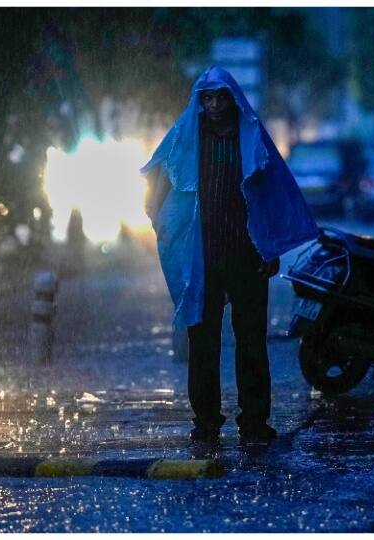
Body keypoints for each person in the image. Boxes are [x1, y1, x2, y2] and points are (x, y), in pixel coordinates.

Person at [140, 67, 319, 443]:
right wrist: (166, 223)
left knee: (251, 341)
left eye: (221, 97)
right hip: (200, 258)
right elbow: (156, 179)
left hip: (247, 256)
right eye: (208, 98)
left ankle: (254, 421)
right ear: (199, 101)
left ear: (233, 99)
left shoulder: (251, 138)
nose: (215, 105)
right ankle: (206, 421)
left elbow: (271, 193)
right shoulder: (187, 137)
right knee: (202, 342)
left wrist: (269, 248)